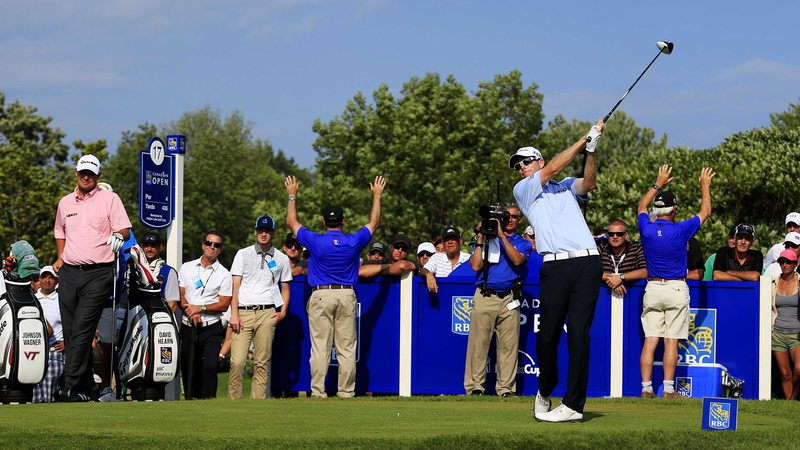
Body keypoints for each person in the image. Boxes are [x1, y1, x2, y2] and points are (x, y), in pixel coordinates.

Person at [510, 120, 605, 423]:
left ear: (535, 160)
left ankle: (574, 405)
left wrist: (591, 149)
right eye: (518, 166)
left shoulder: (565, 188)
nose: (521, 168)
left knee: (579, 334)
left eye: (525, 162)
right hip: (555, 265)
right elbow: (551, 168)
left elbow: (588, 183)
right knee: (547, 336)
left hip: (588, 262)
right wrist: (583, 138)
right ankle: (545, 389)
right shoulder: (524, 189)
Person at [284, 175, 385, 398]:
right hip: (346, 294)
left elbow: (291, 222)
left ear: (323, 222)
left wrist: (292, 195)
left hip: (321, 295)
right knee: (346, 348)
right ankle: (345, 393)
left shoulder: (316, 241)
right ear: (343, 221)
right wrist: (376, 196)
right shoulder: (353, 241)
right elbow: (374, 223)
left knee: (320, 347)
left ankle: (319, 393)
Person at [53, 154, 132, 402]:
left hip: (99, 272)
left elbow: (124, 229)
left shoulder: (110, 199)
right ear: (76, 173)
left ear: (98, 175)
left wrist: (119, 236)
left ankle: (69, 384)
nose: (86, 176)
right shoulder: (65, 203)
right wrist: (60, 257)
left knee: (83, 328)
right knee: (70, 330)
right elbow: (59, 231)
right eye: (82, 172)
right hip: (69, 273)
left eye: (91, 173)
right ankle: (87, 388)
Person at [637, 165, 715, 399]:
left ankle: (646, 389)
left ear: (658, 210)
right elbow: (706, 212)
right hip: (675, 287)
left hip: (652, 288)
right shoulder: (681, 230)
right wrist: (704, 186)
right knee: (671, 341)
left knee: (651, 340)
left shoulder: (646, 228)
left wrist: (658, 182)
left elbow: (641, 206)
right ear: (674, 211)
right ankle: (669, 389)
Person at [464, 200, 532, 397]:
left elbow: (518, 260)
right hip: (486, 295)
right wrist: (480, 236)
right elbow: (475, 266)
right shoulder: (486, 238)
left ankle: (506, 389)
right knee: (479, 345)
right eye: (505, 216)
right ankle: (475, 387)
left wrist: (501, 235)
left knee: (509, 347)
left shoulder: (523, 243)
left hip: (510, 297)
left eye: (513, 216)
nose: (509, 219)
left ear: (519, 220)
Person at [228, 215, 293, 399]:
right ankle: (233, 404)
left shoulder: (282, 258)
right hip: (243, 312)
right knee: (238, 361)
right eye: (261, 230)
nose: (264, 234)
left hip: (268, 312)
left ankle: (257, 405)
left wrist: (283, 311)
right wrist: (234, 314)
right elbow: (235, 286)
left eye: (268, 231)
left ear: (273, 233)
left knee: (262, 362)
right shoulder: (242, 254)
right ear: (255, 231)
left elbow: (286, 287)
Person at [178, 231, 232, 399]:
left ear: (220, 250)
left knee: (209, 366)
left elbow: (223, 304)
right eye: (209, 243)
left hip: (211, 327)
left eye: (216, 245)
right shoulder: (187, 267)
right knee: (188, 366)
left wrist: (200, 308)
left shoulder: (225, 274)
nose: (212, 247)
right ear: (203, 245)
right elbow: (180, 294)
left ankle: (208, 402)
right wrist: (190, 311)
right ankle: (190, 401)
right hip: (188, 325)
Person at [770, 249, 800, 400]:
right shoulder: (773, 282)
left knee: (799, 370)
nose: (785, 265)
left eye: (788, 262)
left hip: (797, 334)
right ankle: (790, 405)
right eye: (782, 262)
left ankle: (791, 400)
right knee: (785, 375)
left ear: (795, 264)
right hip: (778, 334)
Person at [32, 266, 64, 403]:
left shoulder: (62, 300)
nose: (47, 280)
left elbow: (72, 324)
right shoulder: (32, 299)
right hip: (34, 352)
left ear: (56, 281)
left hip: (54, 352)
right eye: (44, 277)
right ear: (39, 279)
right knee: (35, 397)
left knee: (50, 396)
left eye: (51, 277)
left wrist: (68, 341)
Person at [597, 219, 648, 296]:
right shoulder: (601, 248)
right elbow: (591, 270)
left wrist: (621, 277)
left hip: (631, 297)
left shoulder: (637, 248)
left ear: (626, 235)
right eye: (611, 234)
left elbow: (645, 272)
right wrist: (612, 280)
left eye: (619, 234)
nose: (615, 237)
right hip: (604, 298)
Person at [419, 227, 471, 292]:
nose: (450, 242)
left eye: (453, 239)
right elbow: (423, 270)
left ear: (460, 241)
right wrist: (428, 274)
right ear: (443, 243)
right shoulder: (437, 257)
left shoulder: (469, 258)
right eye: (447, 239)